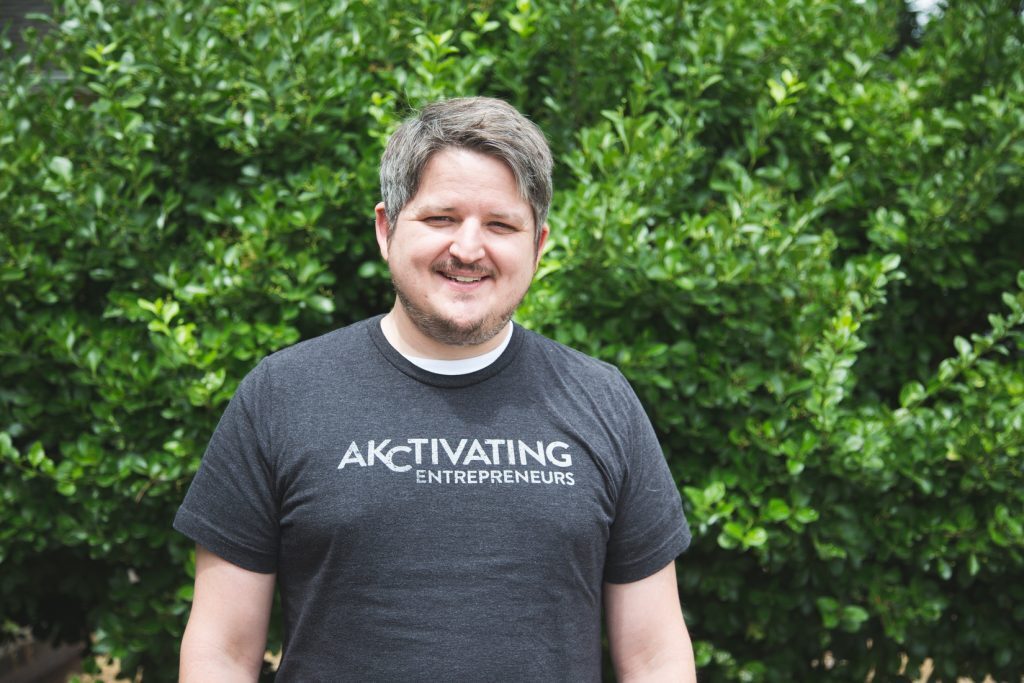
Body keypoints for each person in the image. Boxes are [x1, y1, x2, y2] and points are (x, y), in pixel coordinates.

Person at [175, 96, 695, 681]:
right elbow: (221, 652)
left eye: (501, 225)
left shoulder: (603, 401)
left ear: (538, 245)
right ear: (386, 229)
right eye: (441, 219)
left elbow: (655, 657)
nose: (468, 250)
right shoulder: (283, 395)